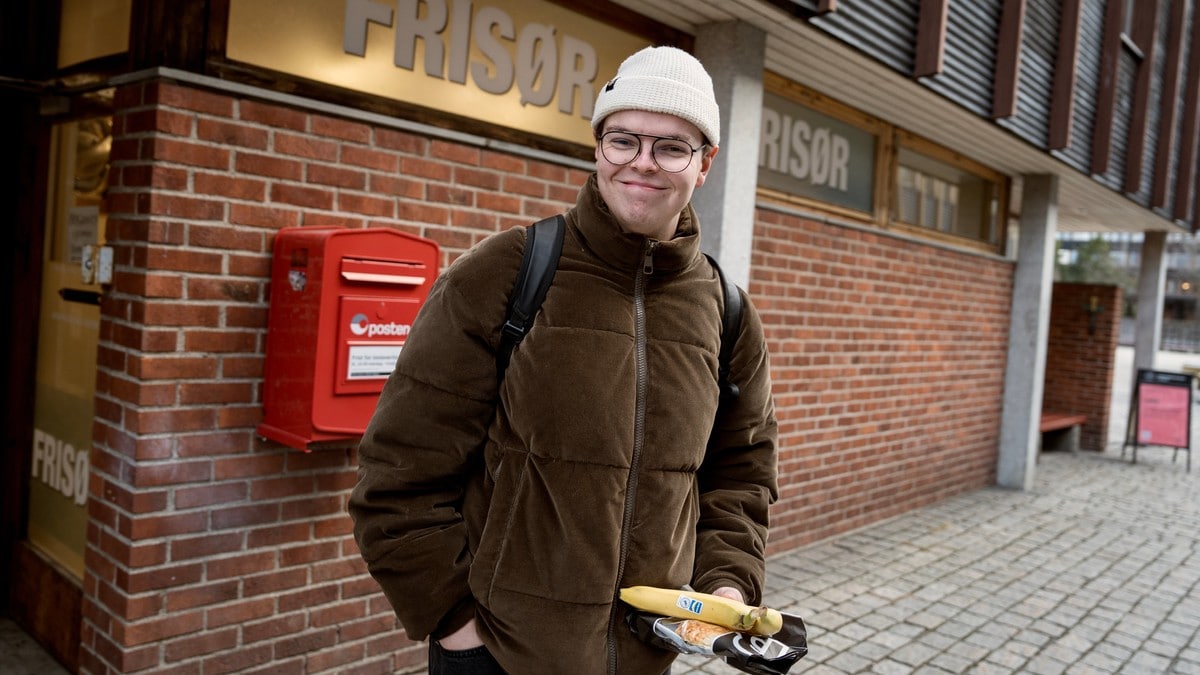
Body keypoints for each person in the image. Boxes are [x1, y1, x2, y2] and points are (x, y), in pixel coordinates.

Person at [349, 45, 778, 674]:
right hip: (499, 654)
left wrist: (726, 589)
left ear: (705, 164)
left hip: (644, 658)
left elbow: (740, 476)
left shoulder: (727, 310)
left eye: (672, 147)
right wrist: (457, 624)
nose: (643, 164)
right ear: (597, 147)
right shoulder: (505, 272)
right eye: (623, 140)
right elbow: (398, 472)